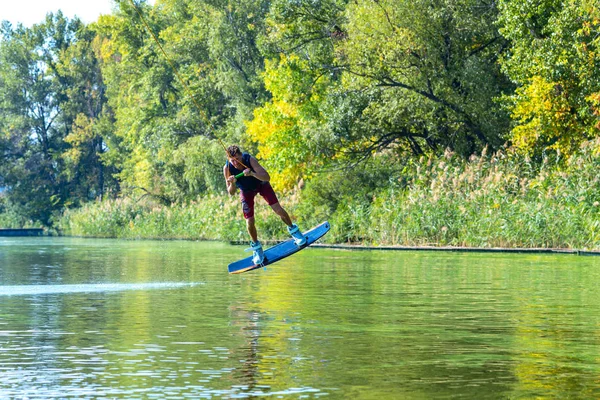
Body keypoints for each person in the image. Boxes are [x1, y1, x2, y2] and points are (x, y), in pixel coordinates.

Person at [224, 145, 306, 265]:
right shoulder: (227, 168)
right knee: (249, 222)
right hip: (246, 191)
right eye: (232, 161)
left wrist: (252, 173)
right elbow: (231, 193)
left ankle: (295, 232)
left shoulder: (249, 159)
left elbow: (267, 177)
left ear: (241, 156)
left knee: (278, 210)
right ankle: (257, 249)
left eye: (237, 159)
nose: (235, 163)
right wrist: (232, 184)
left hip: (261, 184)